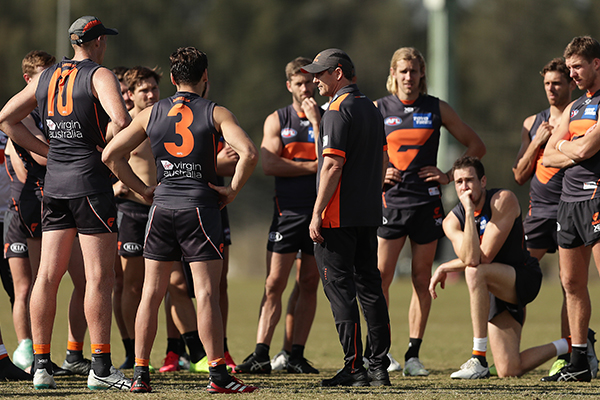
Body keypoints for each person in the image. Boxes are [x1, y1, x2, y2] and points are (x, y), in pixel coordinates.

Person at [102, 46, 258, 394]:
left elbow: (110, 154)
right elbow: (249, 152)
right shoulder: (215, 111)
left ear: (172, 79)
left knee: (151, 293)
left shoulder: (151, 112)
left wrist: (143, 189)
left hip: (161, 209)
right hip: (200, 209)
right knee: (205, 293)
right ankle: (217, 374)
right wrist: (231, 190)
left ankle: (140, 374)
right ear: (205, 77)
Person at [0, 16, 132, 390]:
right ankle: (101, 369)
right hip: (89, 182)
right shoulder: (99, 74)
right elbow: (121, 120)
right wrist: (108, 152)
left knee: (47, 275)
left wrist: (48, 152)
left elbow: (6, 118)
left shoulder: (47, 76)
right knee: (98, 277)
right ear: (97, 43)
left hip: (54, 185)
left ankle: (41, 366)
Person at [375, 47, 486, 375]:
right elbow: (353, 150)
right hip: (391, 204)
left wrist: (448, 175)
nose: (408, 77)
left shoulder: (436, 108)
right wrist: (378, 174)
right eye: (403, 71)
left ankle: (412, 356)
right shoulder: (378, 108)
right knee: (381, 278)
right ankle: (381, 353)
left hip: (427, 205)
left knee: (422, 279)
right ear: (393, 73)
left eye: (414, 71)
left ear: (422, 74)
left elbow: (476, 145)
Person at [430, 156, 572, 379]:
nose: (464, 187)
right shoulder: (451, 221)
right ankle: (573, 344)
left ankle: (478, 357)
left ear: (483, 181)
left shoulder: (503, 200)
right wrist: (468, 213)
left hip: (522, 277)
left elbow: (482, 259)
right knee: (509, 369)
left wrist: (445, 266)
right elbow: (469, 255)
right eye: (458, 182)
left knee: (474, 270)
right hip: (492, 289)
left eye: (469, 180)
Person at [303, 48, 391, 387]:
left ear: (338, 73)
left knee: (340, 292)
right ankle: (378, 368)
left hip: (337, 218)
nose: (315, 80)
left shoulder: (336, 111)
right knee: (371, 289)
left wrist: (317, 211)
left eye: (320, 74)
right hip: (368, 214)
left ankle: (354, 368)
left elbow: (332, 164)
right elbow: (384, 160)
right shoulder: (371, 108)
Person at [235, 57, 321, 375]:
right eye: (300, 83)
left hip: (319, 213)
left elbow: (336, 160)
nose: (307, 87)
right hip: (287, 213)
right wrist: (313, 167)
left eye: (311, 82)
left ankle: (295, 354)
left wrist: (315, 124)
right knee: (274, 283)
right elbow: (269, 164)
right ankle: (261, 354)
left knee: (309, 281)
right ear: (290, 86)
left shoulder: (326, 118)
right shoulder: (277, 119)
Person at [512, 57, 581, 376]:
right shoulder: (532, 122)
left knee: (572, 285)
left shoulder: (580, 117)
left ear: (570, 84)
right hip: (538, 214)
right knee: (518, 281)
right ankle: (509, 349)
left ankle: (571, 353)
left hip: (571, 208)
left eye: (557, 83)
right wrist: (538, 141)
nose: (552, 89)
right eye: (547, 84)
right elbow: (519, 175)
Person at [541, 35, 600, 382]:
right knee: (571, 283)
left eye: (578, 67)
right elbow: (548, 156)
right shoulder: (575, 108)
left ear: (596, 64)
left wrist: (569, 146)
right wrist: (569, 144)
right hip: (568, 202)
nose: (572, 74)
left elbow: (588, 150)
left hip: (596, 198)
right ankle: (579, 361)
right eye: (570, 67)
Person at [115, 66, 161, 370]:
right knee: (131, 285)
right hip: (131, 210)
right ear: (130, 95)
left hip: (162, 210)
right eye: (144, 90)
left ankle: (178, 351)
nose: (151, 94)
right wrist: (116, 183)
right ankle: (132, 352)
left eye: (154, 88)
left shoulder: (167, 120)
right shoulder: (124, 125)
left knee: (164, 285)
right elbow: (104, 157)